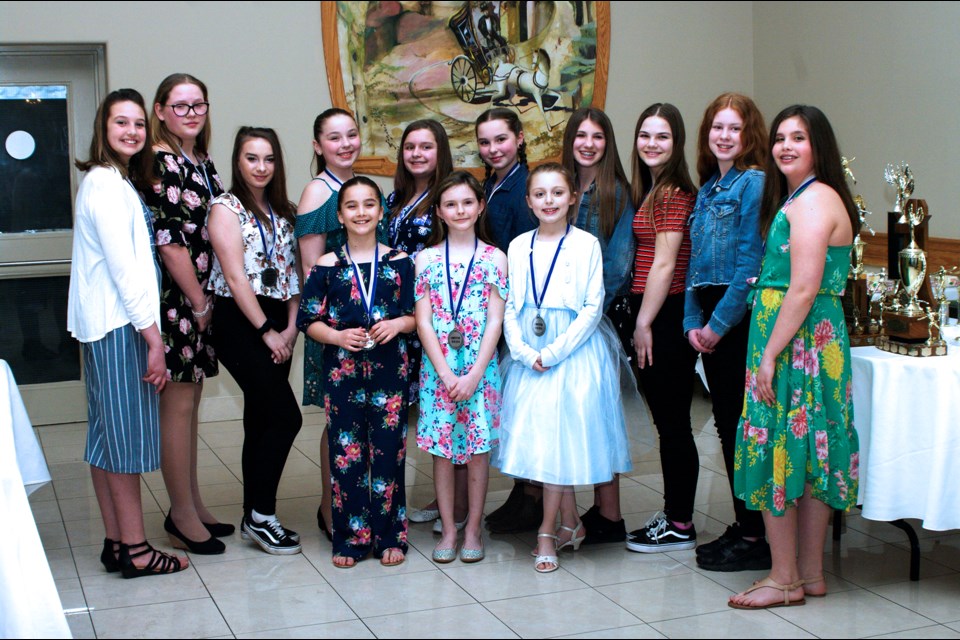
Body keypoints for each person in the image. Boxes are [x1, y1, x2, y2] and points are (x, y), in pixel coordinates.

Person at [729, 105, 859, 609]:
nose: (785, 146)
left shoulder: (812, 200)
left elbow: (802, 289)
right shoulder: (808, 197)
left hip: (795, 345)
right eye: (780, 137)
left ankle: (783, 578)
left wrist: (768, 357)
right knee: (810, 452)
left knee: (780, 449)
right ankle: (809, 573)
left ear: (818, 146)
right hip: (810, 341)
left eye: (798, 138)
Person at [67, 88, 188, 578]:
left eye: (139, 124)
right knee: (124, 444)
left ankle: (117, 542)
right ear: (104, 129)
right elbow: (125, 271)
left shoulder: (114, 181)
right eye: (122, 123)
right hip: (121, 328)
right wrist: (154, 340)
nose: (132, 132)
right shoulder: (105, 184)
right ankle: (137, 550)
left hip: (109, 326)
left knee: (103, 439)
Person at [495, 163, 635, 573]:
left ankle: (546, 530)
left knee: (562, 437)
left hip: (572, 349)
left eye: (558, 193)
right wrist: (521, 350)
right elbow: (510, 305)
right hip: (529, 349)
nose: (549, 201)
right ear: (528, 201)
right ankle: (571, 522)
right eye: (539, 194)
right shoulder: (519, 245)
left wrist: (553, 352)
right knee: (546, 436)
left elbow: (593, 306)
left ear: (573, 197)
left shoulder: (587, 243)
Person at [297, 176, 416, 568]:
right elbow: (307, 319)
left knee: (388, 455)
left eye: (369, 204)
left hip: (390, 376)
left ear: (381, 212)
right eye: (352, 206)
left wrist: (398, 325)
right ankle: (350, 538)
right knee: (345, 456)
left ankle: (389, 536)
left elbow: (419, 317)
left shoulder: (401, 263)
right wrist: (335, 335)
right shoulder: (326, 266)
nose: (361, 212)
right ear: (340, 215)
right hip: (342, 376)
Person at [685, 93, 770, 572]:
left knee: (740, 427)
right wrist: (690, 322)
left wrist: (717, 326)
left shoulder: (753, 183)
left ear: (748, 135)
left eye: (734, 128)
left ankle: (756, 533)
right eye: (717, 127)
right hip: (710, 316)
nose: (723, 136)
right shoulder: (710, 188)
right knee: (724, 424)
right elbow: (698, 264)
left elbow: (749, 264)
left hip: (737, 320)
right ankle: (746, 523)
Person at [143, 73, 228, 555]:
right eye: (180, 105)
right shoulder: (162, 161)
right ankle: (179, 514)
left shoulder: (199, 159)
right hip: (179, 302)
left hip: (201, 299)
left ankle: (191, 504)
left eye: (199, 104)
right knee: (176, 408)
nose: (191, 112)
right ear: (160, 111)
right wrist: (197, 302)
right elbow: (171, 244)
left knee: (190, 405)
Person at [207, 127, 302, 555]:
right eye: (251, 158)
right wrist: (267, 331)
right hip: (240, 322)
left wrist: (291, 328)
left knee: (261, 419)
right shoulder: (225, 208)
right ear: (238, 161)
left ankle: (253, 515)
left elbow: (296, 278)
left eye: (268, 159)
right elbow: (233, 276)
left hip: (281, 319)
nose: (261, 167)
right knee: (287, 417)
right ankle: (263, 516)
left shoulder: (284, 212)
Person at [294, 108, 386, 541]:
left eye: (352, 134)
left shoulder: (360, 190)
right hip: (334, 331)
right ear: (318, 146)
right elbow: (312, 269)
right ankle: (332, 512)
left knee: (366, 420)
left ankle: (359, 505)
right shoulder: (318, 192)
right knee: (339, 422)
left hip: (369, 331)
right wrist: (338, 328)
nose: (346, 143)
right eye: (334, 137)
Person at [415, 171, 507, 564]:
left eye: (467, 202)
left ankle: (473, 527)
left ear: (480, 205)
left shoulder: (495, 258)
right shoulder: (427, 259)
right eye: (450, 204)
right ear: (438, 211)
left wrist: (471, 375)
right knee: (442, 450)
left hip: (480, 371)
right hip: (438, 371)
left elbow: (495, 322)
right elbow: (422, 322)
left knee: (476, 451)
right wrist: (448, 374)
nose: (460, 210)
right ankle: (449, 529)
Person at [625, 103, 701, 553]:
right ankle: (678, 517)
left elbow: (666, 263)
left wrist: (643, 322)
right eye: (645, 135)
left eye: (662, 137)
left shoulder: (672, 192)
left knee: (673, 424)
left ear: (677, 144)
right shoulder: (653, 190)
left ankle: (680, 524)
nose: (652, 144)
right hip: (657, 311)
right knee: (669, 422)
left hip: (664, 314)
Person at [561, 107, 636, 545]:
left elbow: (616, 268)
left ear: (608, 143)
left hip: (597, 323)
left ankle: (610, 515)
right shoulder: (563, 188)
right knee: (570, 417)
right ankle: (580, 508)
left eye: (598, 137)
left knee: (600, 417)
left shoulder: (616, 193)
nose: (588, 143)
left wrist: (579, 316)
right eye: (581, 136)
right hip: (557, 325)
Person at [474, 107, 539, 534]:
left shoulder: (525, 189)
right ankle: (523, 492)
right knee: (511, 410)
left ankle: (533, 498)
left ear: (519, 138)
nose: (493, 149)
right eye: (484, 142)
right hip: (491, 309)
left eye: (501, 139)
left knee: (526, 408)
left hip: (520, 311)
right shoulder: (489, 185)